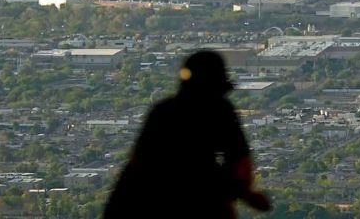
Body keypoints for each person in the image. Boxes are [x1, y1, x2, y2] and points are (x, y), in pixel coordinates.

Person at [104, 51, 271, 217]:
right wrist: (246, 194)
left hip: (142, 199)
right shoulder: (219, 110)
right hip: (200, 199)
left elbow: (138, 162)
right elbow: (240, 161)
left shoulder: (163, 111)